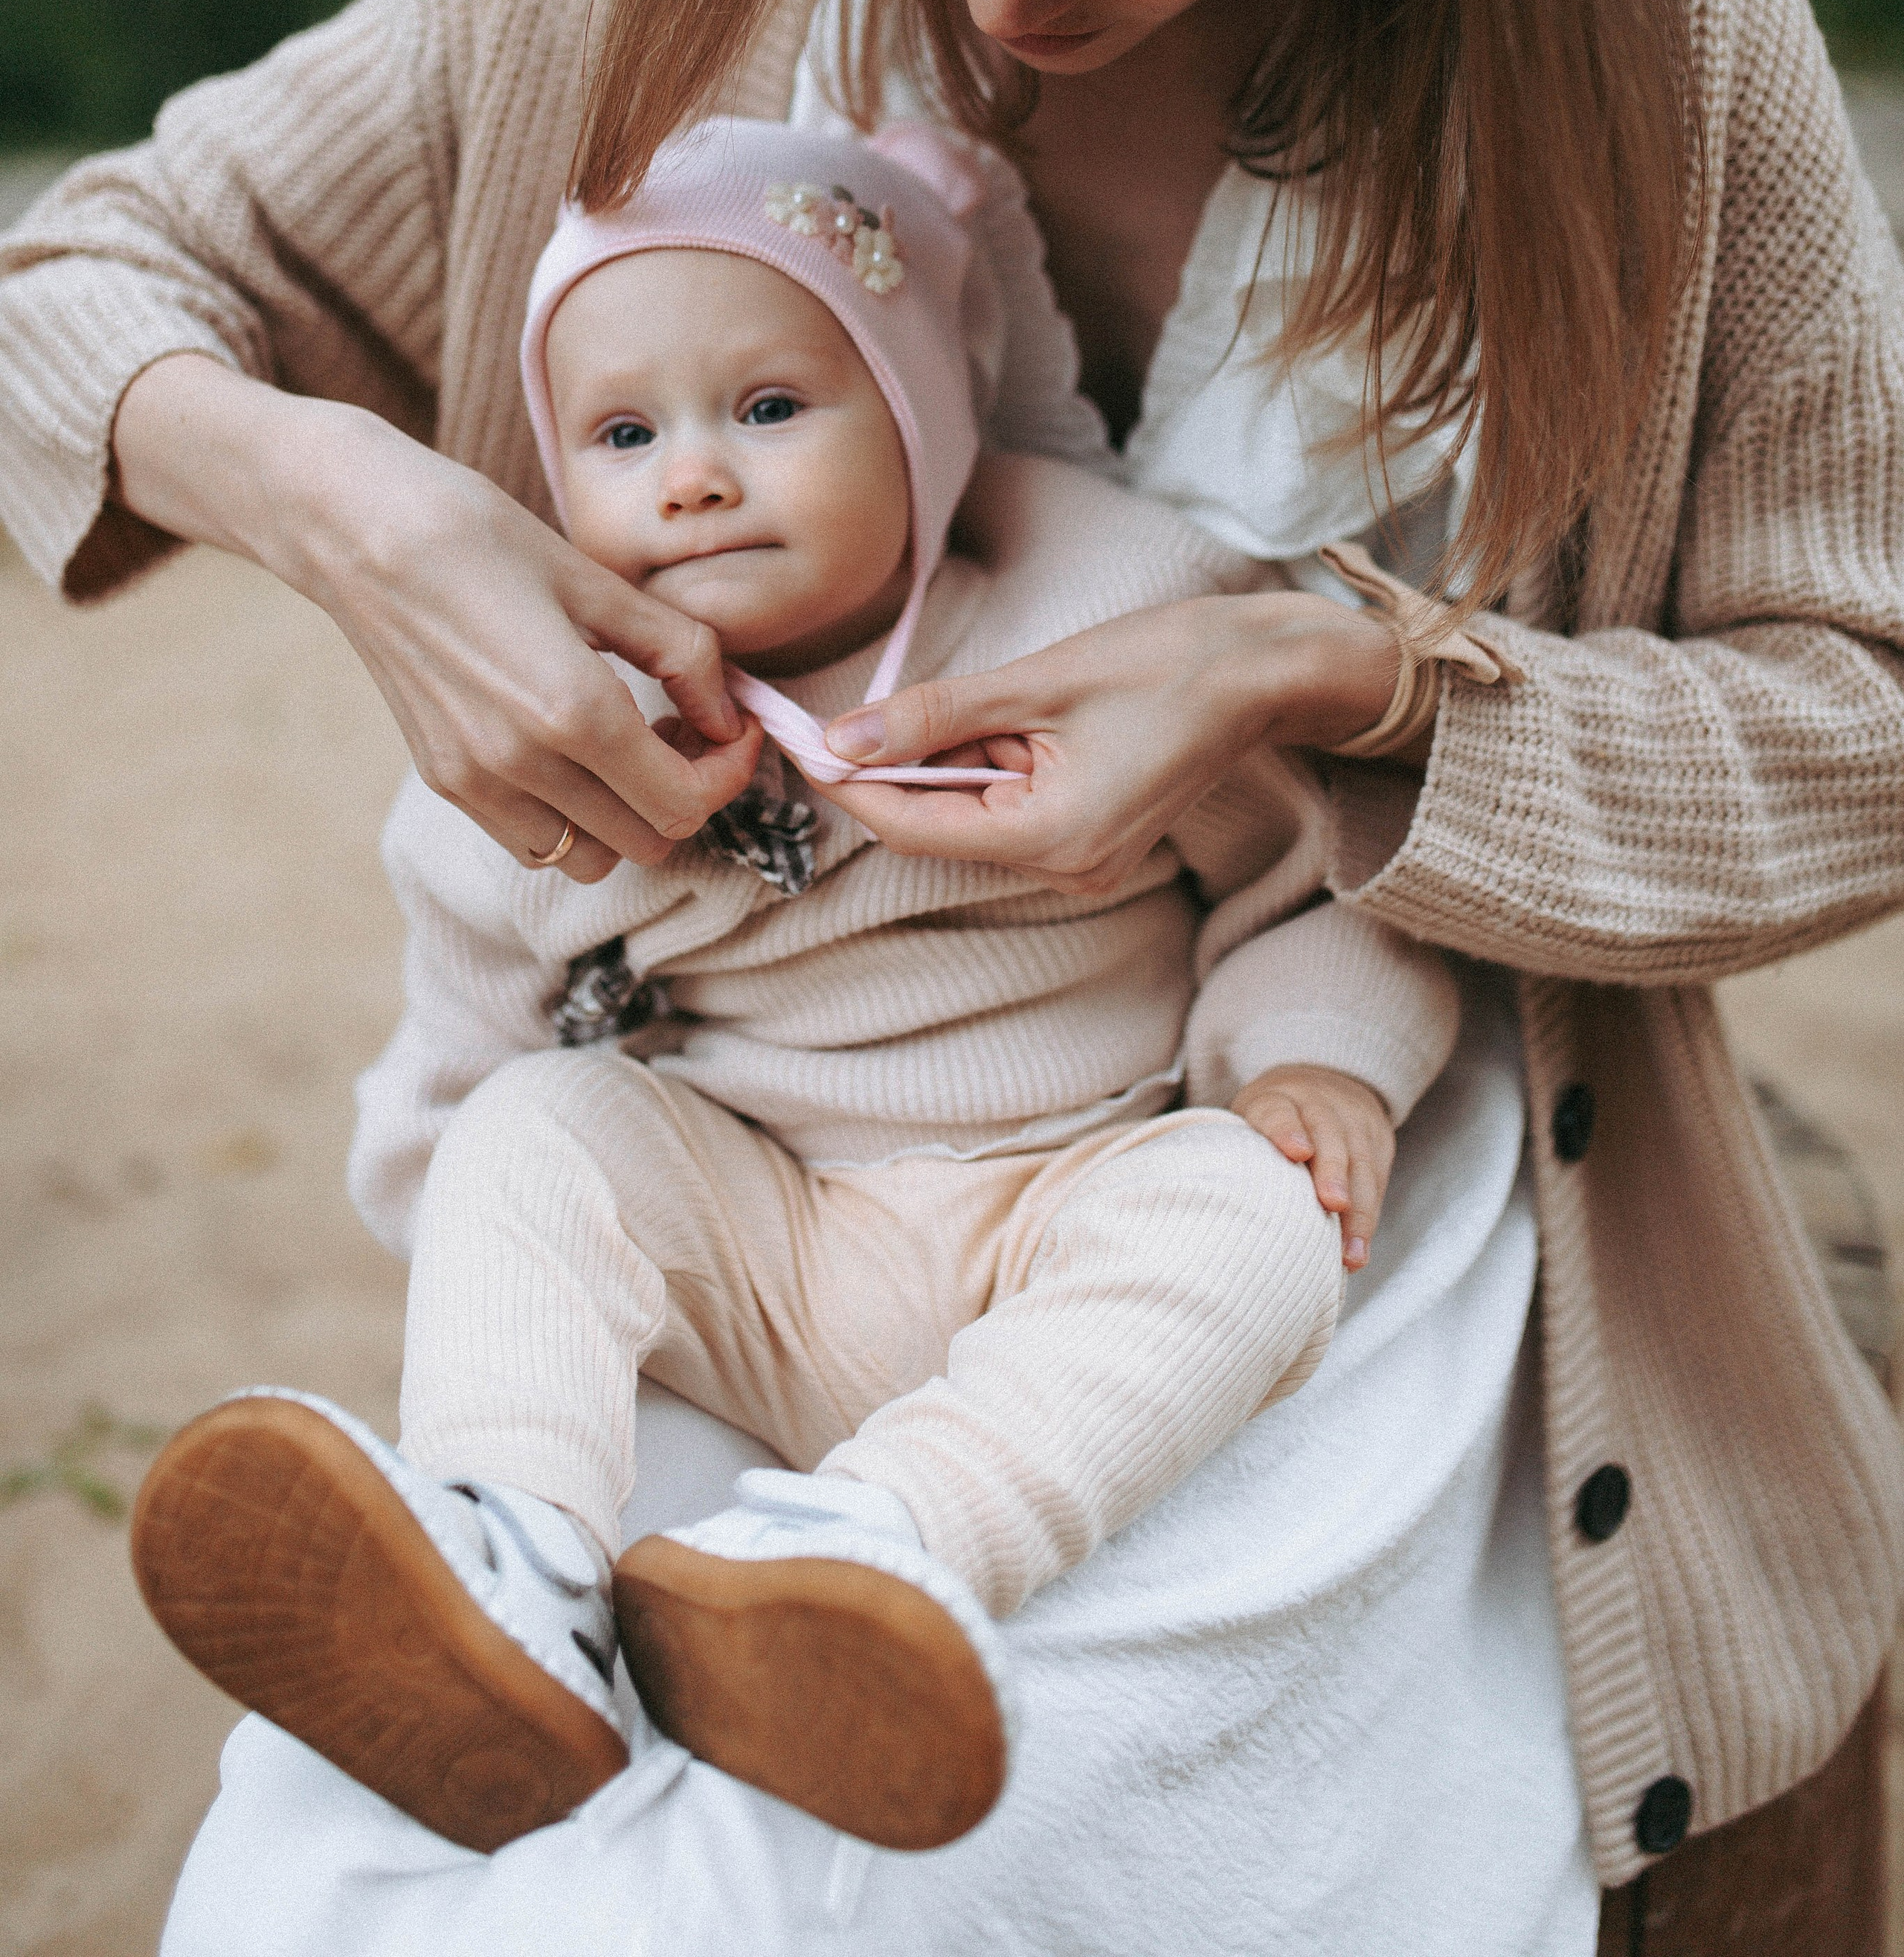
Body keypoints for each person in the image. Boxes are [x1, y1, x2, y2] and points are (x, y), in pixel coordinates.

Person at [2, 0, 1900, 1947]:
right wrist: (356, 513)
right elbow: (87, 275)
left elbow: (1860, 718)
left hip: (1296, 1222)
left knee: (943, 1874)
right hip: (732, 1153)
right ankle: (548, 1585)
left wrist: (1321, 677)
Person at [131, 111, 1470, 1856]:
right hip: (756, 1230)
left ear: (917, 428)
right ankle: (506, 1565)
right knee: (544, 1125)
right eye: (622, 433)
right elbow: (466, 1025)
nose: (689, 475)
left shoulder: (1092, 633)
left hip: (1053, 1202)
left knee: (1255, 1221)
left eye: (766, 409)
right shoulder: (554, 736)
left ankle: (864, 1555)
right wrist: (490, 1232)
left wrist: (1319, 1064)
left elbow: (1321, 870)